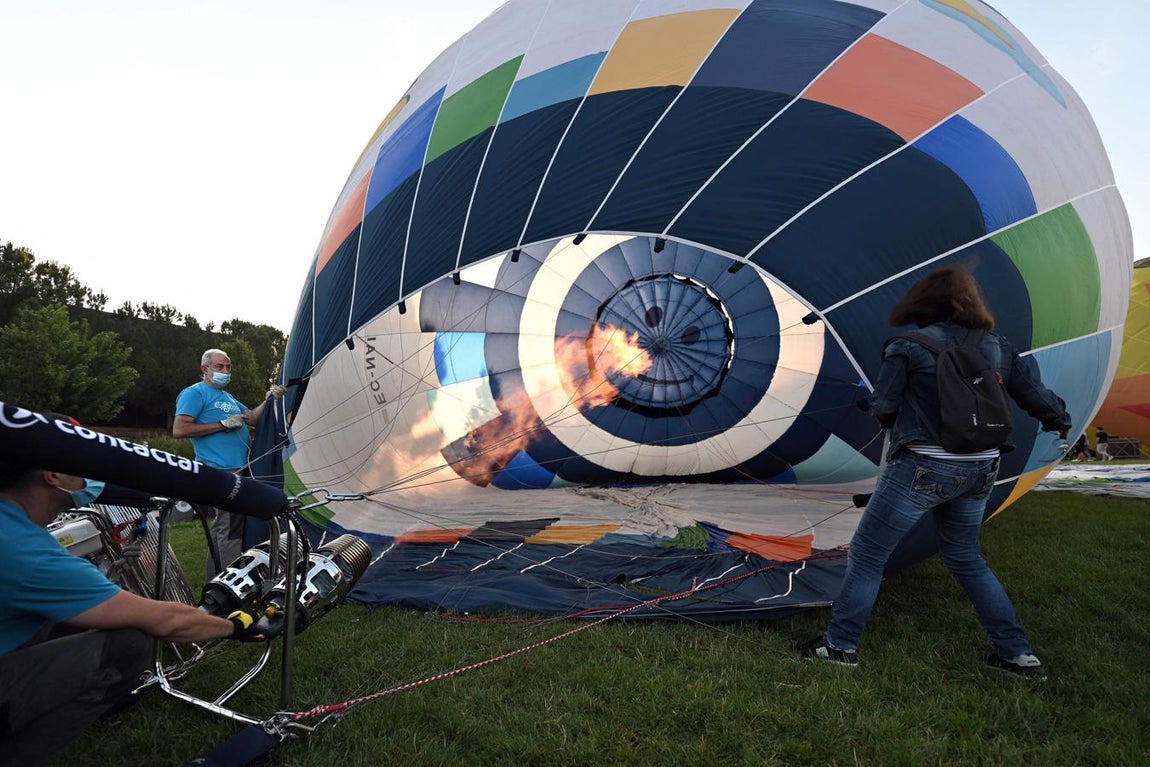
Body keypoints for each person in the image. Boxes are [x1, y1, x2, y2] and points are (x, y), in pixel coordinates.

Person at [799, 266, 1070, 679]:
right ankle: (1018, 656)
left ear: (922, 303)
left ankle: (839, 646)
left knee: (868, 554)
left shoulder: (907, 346)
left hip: (923, 467)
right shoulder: (997, 346)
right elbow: (1037, 398)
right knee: (965, 557)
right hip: (981, 468)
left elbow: (884, 408)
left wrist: (869, 405)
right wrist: (1059, 420)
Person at [0, 450, 264, 766]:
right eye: (82, 461)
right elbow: (164, 621)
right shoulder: (26, 551)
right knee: (128, 644)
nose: (91, 473)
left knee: (84, 618)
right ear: (53, 475)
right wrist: (236, 626)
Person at [173, 348, 284, 578]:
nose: (225, 371)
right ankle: (232, 582)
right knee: (231, 529)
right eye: (219, 366)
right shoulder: (195, 393)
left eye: (228, 367)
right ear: (205, 369)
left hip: (237, 469)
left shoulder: (227, 397)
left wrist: (269, 399)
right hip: (220, 471)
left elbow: (252, 418)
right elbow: (180, 429)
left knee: (222, 528)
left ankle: (214, 580)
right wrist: (222, 424)